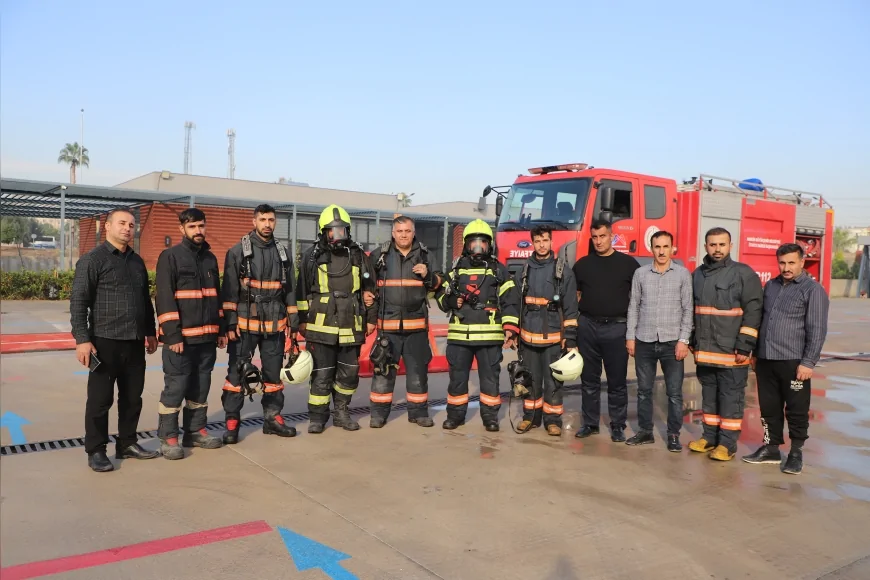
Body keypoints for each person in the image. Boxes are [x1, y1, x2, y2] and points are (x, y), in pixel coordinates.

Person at [70, 208, 161, 472]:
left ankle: (127, 443)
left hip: (134, 342)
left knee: (133, 398)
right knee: (100, 400)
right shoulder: (92, 260)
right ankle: (96, 450)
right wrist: (82, 339)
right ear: (107, 226)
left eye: (131, 225)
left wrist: (150, 331)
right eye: (122, 223)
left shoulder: (137, 262)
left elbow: (145, 301)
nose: (127, 229)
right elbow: (79, 301)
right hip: (104, 342)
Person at [743, 243, 829, 474]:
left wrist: (808, 362)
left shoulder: (813, 290)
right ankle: (771, 448)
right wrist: (755, 353)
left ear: (802, 262)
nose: (786, 268)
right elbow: (761, 320)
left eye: (792, 262)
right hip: (766, 359)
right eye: (782, 263)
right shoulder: (771, 286)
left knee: (796, 410)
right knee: (769, 407)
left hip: (794, 362)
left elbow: (817, 329)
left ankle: (795, 453)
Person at [220, 204, 298, 443]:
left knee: (273, 375)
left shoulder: (283, 253)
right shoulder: (237, 252)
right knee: (236, 375)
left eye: (271, 220)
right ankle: (232, 422)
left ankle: (272, 418)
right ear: (254, 222)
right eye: (262, 219)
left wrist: (294, 322)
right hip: (244, 326)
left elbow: (290, 290)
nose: (267, 224)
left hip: (275, 325)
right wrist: (230, 323)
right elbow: (229, 291)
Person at [296, 204, 377, 434]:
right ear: (323, 232)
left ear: (348, 230)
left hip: (351, 323)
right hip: (321, 326)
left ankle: (341, 412)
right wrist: (301, 320)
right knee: (321, 373)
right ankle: (317, 418)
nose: (337, 235)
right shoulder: (312, 257)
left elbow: (370, 289)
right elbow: (301, 291)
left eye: (341, 230)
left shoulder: (358, 255)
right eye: (332, 231)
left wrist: (371, 319)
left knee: (349, 373)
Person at [154, 208, 227, 460]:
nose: (198, 231)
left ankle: (195, 431)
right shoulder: (170, 257)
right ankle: (168, 437)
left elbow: (216, 296)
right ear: (182, 229)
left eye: (201, 226)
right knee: (176, 388)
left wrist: (221, 329)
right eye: (192, 226)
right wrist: (172, 336)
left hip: (207, 339)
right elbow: (164, 298)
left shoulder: (210, 259)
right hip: (181, 341)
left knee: (201, 387)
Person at [435, 219, 521, 432]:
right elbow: (440, 294)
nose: (478, 247)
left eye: (482, 242)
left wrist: (510, 328)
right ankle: (455, 417)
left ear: (489, 245)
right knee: (457, 380)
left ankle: (490, 418)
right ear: (466, 244)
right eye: (474, 242)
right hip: (460, 337)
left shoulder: (498, 270)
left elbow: (510, 300)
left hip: (489, 338)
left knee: (490, 381)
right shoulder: (456, 270)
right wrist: (450, 301)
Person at [687, 227, 763, 461]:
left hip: (732, 353)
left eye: (722, 244)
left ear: (730, 246)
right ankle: (709, 438)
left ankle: (727, 445)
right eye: (713, 244)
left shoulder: (743, 274)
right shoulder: (697, 275)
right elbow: (692, 311)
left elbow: (754, 311)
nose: (717, 249)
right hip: (705, 352)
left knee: (730, 400)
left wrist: (745, 345)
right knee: (709, 399)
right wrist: (692, 340)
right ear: (705, 247)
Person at [365, 216, 442, 428]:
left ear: (413, 232)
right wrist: (367, 297)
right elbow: (367, 284)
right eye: (399, 231)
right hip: (388, 329)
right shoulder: (379, 255)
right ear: (393, 233)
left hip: (416, 328)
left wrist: (428, 275)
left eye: (407, 231)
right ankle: (378, 415)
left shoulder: (425, 255)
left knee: (418, 374)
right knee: (383, 372)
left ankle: (419, 413)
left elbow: (440, 283)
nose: (403, 235)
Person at [572, 219, 640, 442]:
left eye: (603, 236)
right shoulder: (582, 265)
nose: (599, 241)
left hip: (617, 328)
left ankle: (618, 425)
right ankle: (590, 423)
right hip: (588, 327)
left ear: (612, 236)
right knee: (589, 380)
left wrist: (633, 332)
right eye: (595, 237)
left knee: (616, 382)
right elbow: (574, 297)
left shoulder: (628, 265)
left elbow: (638, 299)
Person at [625, 231, 693, 452]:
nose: (662, 251)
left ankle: (673, 435)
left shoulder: (682, 274)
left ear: (672, 248)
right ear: (651, 248)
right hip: (644, 340)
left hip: (672, 343)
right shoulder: (640, 274)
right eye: (657, 247)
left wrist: (683, 340)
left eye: (666, 246)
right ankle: (645, 431)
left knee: (674, 393)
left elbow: (688, 309)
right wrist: (630, 337)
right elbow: (633, 307)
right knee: (644, 390)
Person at [515, 225, 579, 436]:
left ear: (552, 242)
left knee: (553, 382)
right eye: (537, 241)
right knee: (530, 380)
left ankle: (553, 421)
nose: (541, 245)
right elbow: (516, 303)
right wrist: (514, 332)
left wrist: (570, 339)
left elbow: (571, 309)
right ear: (532, 243)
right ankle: (530, 418)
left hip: (553, 339)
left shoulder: (563, 272)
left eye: (545, 240)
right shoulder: (524, 271)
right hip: (528, 339)